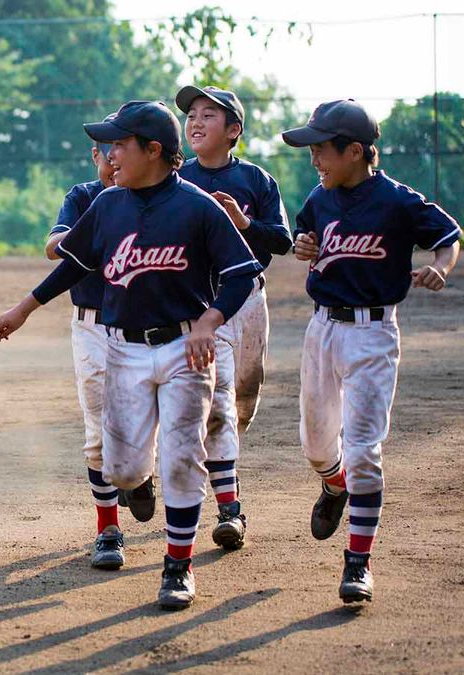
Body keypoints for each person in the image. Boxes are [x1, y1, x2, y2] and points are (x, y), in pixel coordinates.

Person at [0, 101, 261, 609]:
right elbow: (72, 266)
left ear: (153, 150)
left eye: (120, 144)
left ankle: (176, 567)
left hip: (185, 349)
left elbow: (242, 272)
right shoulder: (107, 205)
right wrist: (25, 307)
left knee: (183, 460)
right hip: (122, 352)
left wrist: (209, 321)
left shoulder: (197, 206)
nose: (111, 154)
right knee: (122, 470)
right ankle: (140, 479)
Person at [283, 99, 461, 603]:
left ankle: (357, 562)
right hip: (322, 331)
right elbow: (306, 236)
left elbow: (448, 236)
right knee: (318, 449)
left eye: (322, 150)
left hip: (373, 335)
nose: (315, 160)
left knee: (363, 451)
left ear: (355, 151)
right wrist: (304, 246)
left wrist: (441, 267)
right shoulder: (321, 197)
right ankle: (333, 484)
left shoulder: (398, 202)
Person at [175, 85, 293, 550]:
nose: (196, 122)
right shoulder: (177, 179)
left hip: (249, 302)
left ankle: (223, 460)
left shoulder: (256, 181)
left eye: (209, 115)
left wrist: (244, 225)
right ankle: (229, 507)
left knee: (244, 393)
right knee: (218, 400)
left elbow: (282, 241)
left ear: (234, 130)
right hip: (202, 304)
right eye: (192, 115)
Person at [42, 139, 133, 569]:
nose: (113, 159)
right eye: (105, 152)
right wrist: (95, 231)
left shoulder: (152, 199)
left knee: (142, 428)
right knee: (98, 432)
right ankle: (108, 528)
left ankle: (139, 478)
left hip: (142, 325)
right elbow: (53, 245)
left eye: (122, 149)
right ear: (95, 157)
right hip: (92, 324)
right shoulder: (83, 197)